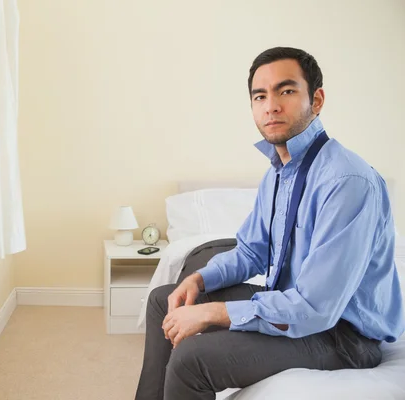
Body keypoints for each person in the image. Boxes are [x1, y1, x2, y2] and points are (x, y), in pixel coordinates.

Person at [135, 47, 405, 400]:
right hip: (291, 304)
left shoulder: (347, 182)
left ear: (317, 99)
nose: (271, 105)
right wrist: (198, 279)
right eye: (260, 96)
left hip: (341, 335)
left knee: (192, 359)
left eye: (287, 91)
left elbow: (315, 308)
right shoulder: (279, 173)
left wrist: (213, 313)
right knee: (163, 301)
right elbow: (251, 250)